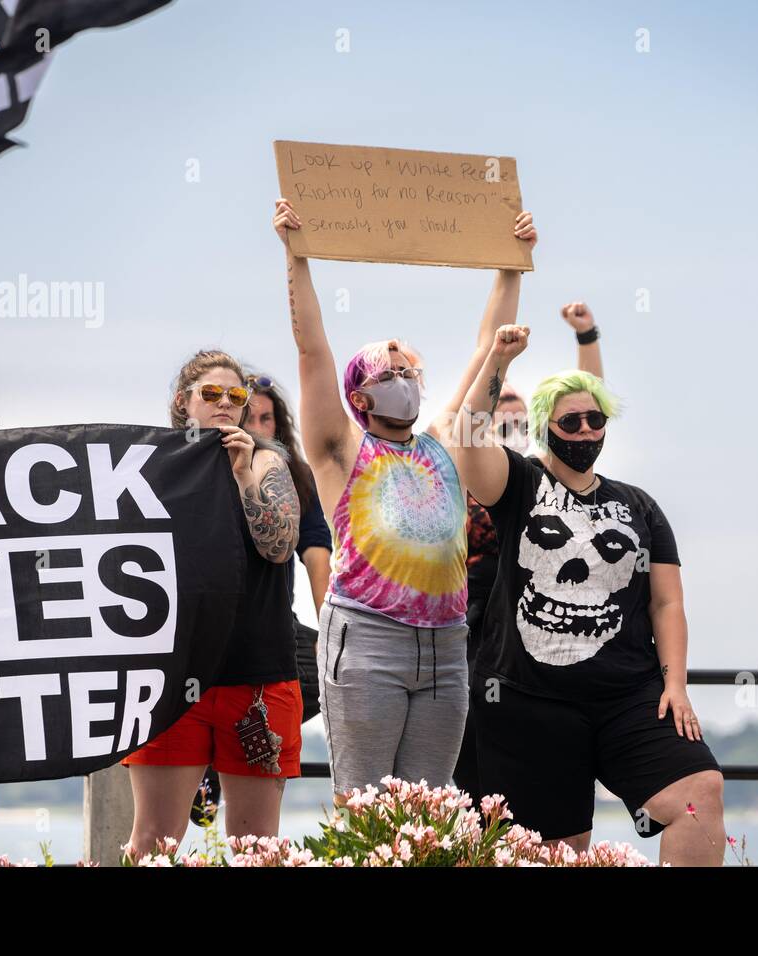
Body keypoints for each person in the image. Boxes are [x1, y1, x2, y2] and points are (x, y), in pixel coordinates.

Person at [271, 197, 536, 803]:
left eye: (409, 371)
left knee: (427, 811)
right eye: (388, 375)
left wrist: (511, 264)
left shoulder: (445, 441)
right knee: (368, 811)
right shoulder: (341, 449)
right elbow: (312, 351)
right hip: (366, 639)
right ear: (359, 398)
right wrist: (295, 253)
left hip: (446, 647)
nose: (405, 381)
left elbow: (485, 348)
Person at [451, 325, 724, 866]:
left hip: (628, 695)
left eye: (595, 419)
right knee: (559, 853)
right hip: (529, 701)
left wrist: (677, 684)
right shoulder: (518, 484)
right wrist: (499, 360)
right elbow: (468, 440)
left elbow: (667, 603)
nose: (584, 429)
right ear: (543, 426)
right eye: (569, 420)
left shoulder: (639, 506)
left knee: (699, 793)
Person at [122, 350, 302, 856]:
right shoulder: (151, 468)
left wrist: (244, 474)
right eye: (211, 394)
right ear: (184, 402)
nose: (225, 403)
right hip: (172, 676)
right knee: (152, 843)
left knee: (256, 849)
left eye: (236, 396)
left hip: (256, 678)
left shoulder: (267, 460)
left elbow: (279, 545)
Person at [452, 301, 605, 801]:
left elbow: (588, 405)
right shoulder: (474, 468)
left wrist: (587, 337)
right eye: (503, 416)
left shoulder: (545, 470)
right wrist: (499, 362)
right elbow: (471, 425)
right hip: (478, 605)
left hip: (534, 594)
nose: (512, 424)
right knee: (477, 733)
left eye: (523, 418)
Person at [190, 372, 333, 824]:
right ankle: (208, 764)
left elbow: (314, 553)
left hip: (271, 629)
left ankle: (215, 768)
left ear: (279, 424)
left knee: (315, 678)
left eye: (265, 418)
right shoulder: (187, 464)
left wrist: (330, 631)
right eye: (247, 414)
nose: (255, 423)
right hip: (200, 630)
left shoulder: (292, 474)